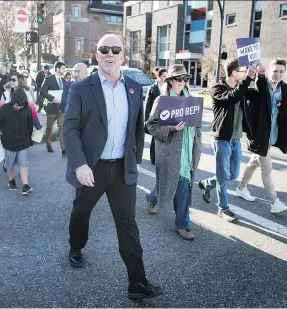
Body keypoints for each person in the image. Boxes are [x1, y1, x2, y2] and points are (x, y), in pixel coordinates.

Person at [63, 34, 162, 300]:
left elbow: (138, 129)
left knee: (127, 223)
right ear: (96, 55)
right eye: (104, 49)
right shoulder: (82, 88)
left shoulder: (133, 88)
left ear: (122, 56)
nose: (109, 54)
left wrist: (134, 158)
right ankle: (76, 247)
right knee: (81, 212)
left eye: (115, 50)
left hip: (122, 169)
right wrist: (80, 164)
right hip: (91, 169)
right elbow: (70, 128)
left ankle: (137, 282)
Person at [197, 59, 261, 223]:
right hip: (222, 139)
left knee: (232, 174)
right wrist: (248, 78)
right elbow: (233, 97)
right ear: (234, 72)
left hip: (236, 139)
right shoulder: (218, 88)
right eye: (243, 71)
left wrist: (260, 77)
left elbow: (257, 94)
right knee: (223, 177)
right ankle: (223, 208)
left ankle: (206, 183)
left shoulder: (242, 88)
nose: (246, 73)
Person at [145, 65, 201, 240]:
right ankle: (182, 225)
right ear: (170, 81)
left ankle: (152, 198)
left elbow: (197, 124)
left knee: (169, 183)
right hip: (169, 152)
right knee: (180, 184)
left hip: (188, 150)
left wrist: (197, 137)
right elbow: (150, 125)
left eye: (185, 79)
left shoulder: (191, 100)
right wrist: (170, 128)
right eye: (179, 79)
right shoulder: (162, 101)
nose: (182, 82)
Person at [236, 59, 287, 214]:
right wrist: (255, 76)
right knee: (267, 169)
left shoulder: (285, 89)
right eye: (275, 70)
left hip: (272, 135)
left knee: (254, 162)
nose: (278, 74)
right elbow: (248, 105)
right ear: (268, 71)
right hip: (259, 136)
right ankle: (275, 202)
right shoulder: (260, 87)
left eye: (281, 71)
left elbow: (284, 114)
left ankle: (241, 188)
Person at [0, 88, 34, 196]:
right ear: (13, 101)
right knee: (9, 163)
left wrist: (29, 140)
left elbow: (30, 126)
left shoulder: (27, 110)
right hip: (8, 141)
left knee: (23, 163)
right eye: (17, 105)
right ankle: (11, 180)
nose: (19, 107)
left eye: (21, 106)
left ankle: (25, 185)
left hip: (23, 141)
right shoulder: (4, 109)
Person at [39, 61, 67, 155]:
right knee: (50, 128)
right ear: (57, 69)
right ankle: (48, 143)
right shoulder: (48, 79)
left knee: (61, 127)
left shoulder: (63, 80)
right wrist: (52, 98)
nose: (64, 70)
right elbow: (42, 91)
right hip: (51, 108)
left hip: (61, 109)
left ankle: (63, 148)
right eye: (62, 68)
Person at [144, 68, 167, 165]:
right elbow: (147, 104)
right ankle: (153, 158)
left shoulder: (168, 87)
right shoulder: (153, 88)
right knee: (155, 137)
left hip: (165, 115)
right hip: (155, 115)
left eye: (166, 76)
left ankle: (162, 157)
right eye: (163, 76)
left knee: (163, 136)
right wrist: (146, 119)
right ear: (159, 76)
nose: (165, 78)